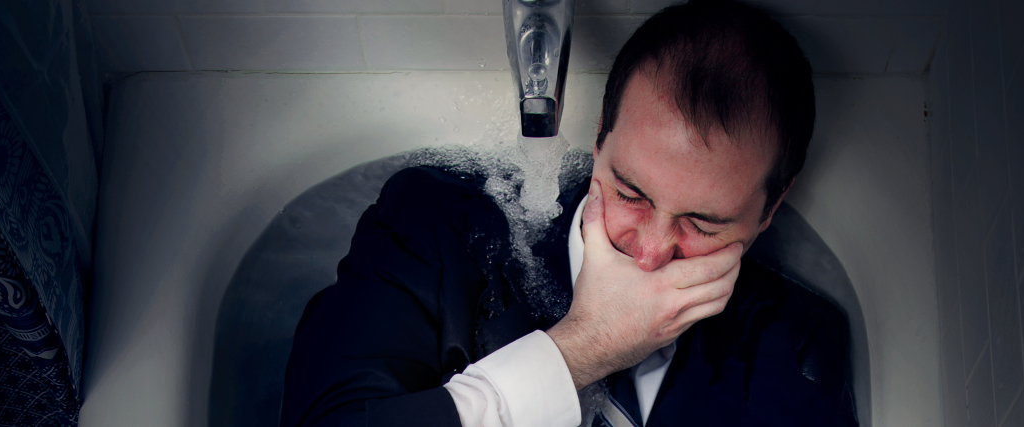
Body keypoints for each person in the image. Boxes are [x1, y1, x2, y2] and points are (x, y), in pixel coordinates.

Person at [281, 1, 857, 426]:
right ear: (600, 137)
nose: (650, 254)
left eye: (703, 225)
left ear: (769, 209)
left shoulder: (799, 351)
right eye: (631, 194)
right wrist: (583, 348)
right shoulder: (434, 225)